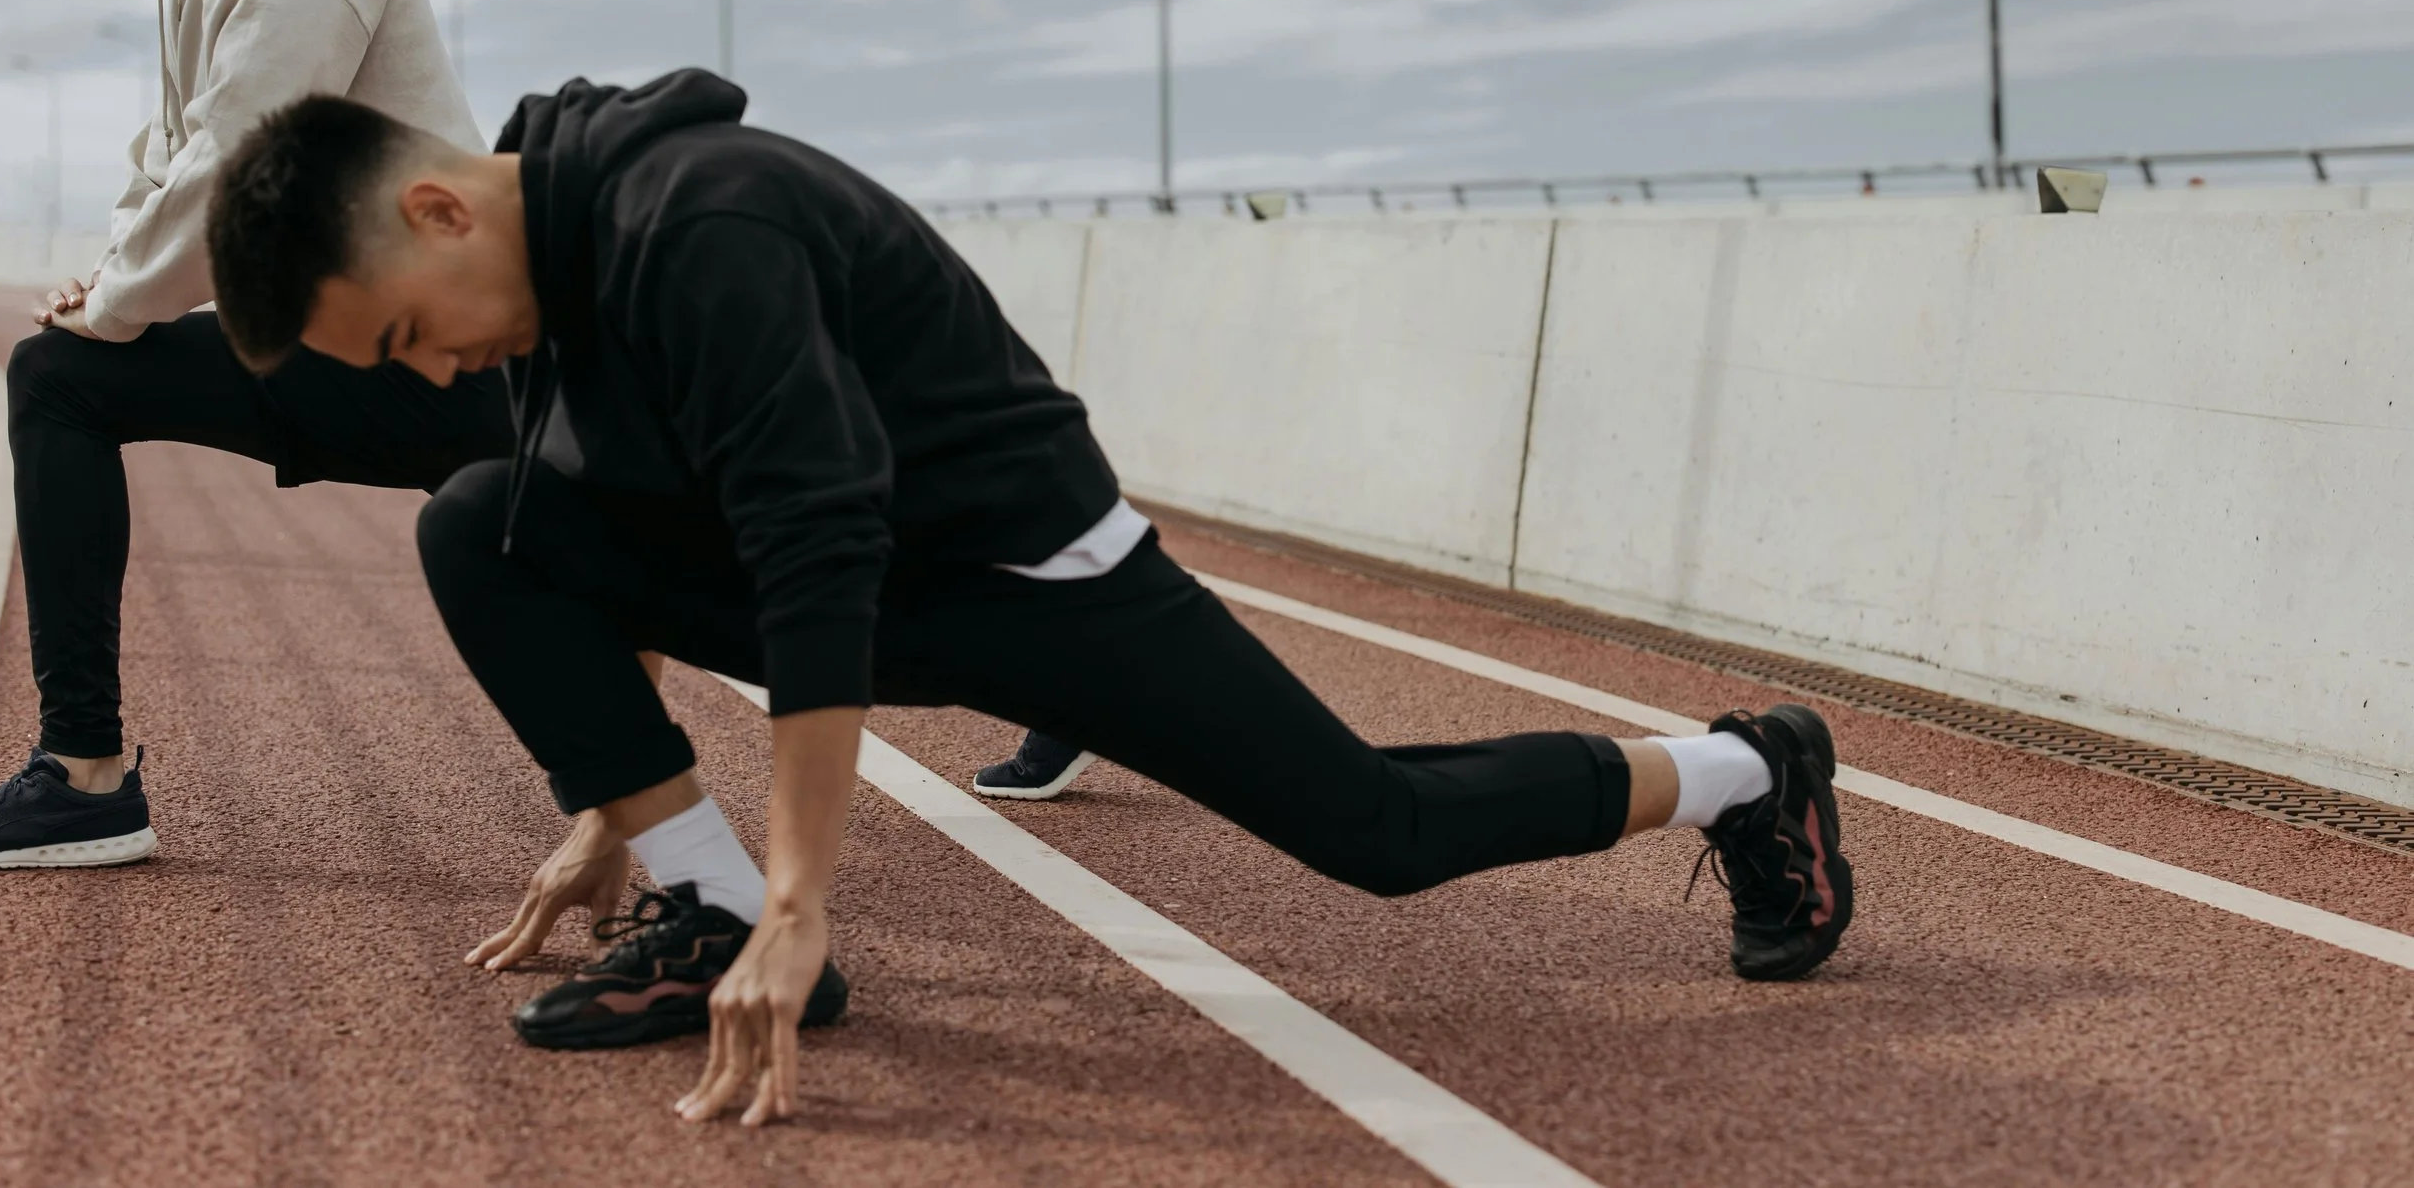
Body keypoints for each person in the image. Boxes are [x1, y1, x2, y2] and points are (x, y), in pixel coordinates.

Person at [200, 70, 1855, 1127]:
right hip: (874, 570)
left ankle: (1750, 766)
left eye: (411, 330)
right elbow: (596, 501)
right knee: (482, 514)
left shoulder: (699, 221)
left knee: (1375, 835)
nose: (437, 362)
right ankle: (695, 911)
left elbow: (812, 550)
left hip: (1033, 585)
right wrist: (616, 807)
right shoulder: (541, 262)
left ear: (432, 210)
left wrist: (805, 897)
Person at [0, 0, 513, 874]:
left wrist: (122, 305)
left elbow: (243, 155)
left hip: (458, 347)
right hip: (358, 341)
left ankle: (84, 777)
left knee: (739, 537)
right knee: (65, 372)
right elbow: (177, 151)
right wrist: (107, 285)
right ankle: (83, 774)